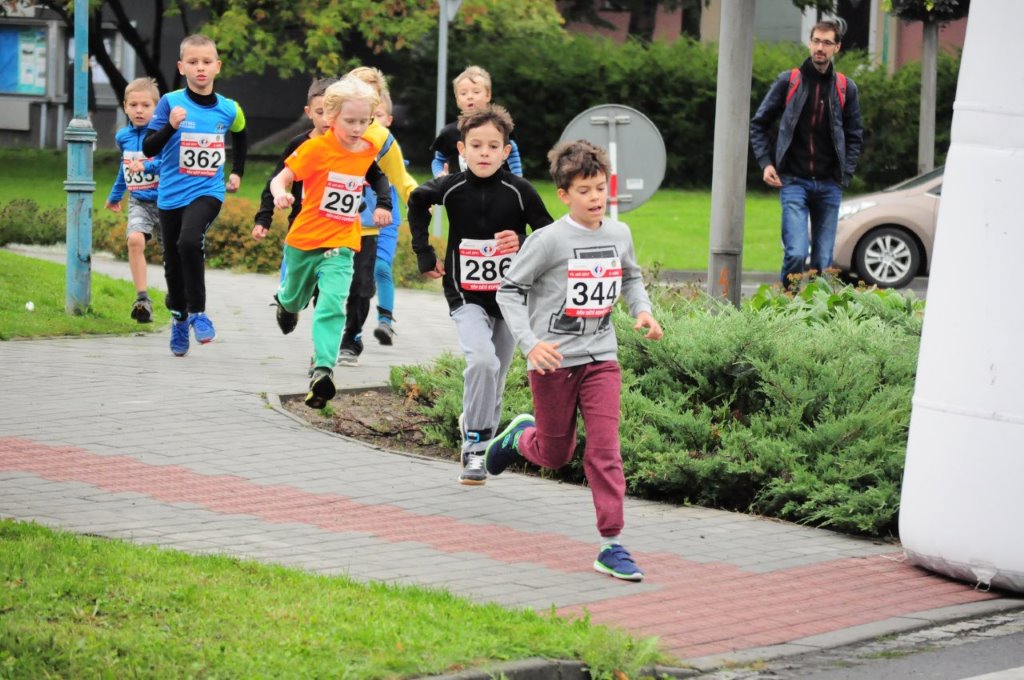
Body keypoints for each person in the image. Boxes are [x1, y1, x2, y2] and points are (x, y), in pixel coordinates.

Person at [491, 140, 663, 582]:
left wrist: (642, 310)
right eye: (584, 191)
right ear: (564, 195)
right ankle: (520, 438)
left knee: (605, 451)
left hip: (602, 358)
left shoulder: (619, 234)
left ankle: (612, 544)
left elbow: (631, 277)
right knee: (555, 454)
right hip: (553, 362)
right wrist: (530, 344)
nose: (594, 198)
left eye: (600, 188)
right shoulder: (548, 241)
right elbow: (509, 292)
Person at [408, 105, 552, 486]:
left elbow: (550, 234)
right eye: (476, 145)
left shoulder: (520, 191)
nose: (484, 153)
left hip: (511, 298)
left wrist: (521, 239)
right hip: (465, 294)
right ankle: (475, 447)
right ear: (462, 149)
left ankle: (476, 426)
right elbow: (417, 201)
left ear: (506, 151)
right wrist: (424, 251)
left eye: (492, 146)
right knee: (482, 362)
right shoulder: (451, 187)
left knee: (496, 376)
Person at [258, 77, 392, 409]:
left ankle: (323, 370)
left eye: (364, 121)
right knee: (295, 298)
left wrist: (384, 204)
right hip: (304, 241)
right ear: (330, 117)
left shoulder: (367, 150)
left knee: (332, 303)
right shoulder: (315, 149)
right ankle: (286, 305)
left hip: (342, 242)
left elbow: (379, 176)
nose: (358, 128)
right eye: (350, 121)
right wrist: (280, 194)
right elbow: (280, 178)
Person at [143, 34, 248, 356]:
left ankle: (199, 313)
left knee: (189, 241)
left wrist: (237, 171)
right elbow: (148, 148)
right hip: (171, 195)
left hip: (208, 191)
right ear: (181, 67)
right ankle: (179, 318)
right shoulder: (170, 103)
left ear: (217, 66)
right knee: (173, 262)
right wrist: (171, 127)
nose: (200, 68)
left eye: (206, 62)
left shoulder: (229, 108)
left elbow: (241, 135)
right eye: (193, 62)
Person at [749, 19, 863, 290]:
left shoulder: (845, 88)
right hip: (793, 181)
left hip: (829, 184)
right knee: (797, 253)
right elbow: (759, 123)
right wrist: (766, 163)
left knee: (823, 263)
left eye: (827, 43)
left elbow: (855, 135)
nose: (820, 48)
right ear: (810, 43)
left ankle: (815, 311)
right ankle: (786, 304)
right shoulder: (789, 81)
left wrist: (844, 175)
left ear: (837, 47)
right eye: (816, 41)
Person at [337, 66, 418, 367]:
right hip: (333, 224)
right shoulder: (332, 129)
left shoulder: (381, 138)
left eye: (370, 93)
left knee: (361, 286)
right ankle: (324, 338)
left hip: (368, 226)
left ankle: (351, 339)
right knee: (331, 287)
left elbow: (400, 177)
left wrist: (418, 199)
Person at [252, 77, 337, 279]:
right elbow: (276, 180)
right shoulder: (299, 144)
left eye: (332, 112)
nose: (326, 119)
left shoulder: (349, 146)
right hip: (301, 225)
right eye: (320, 112)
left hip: (336, 230)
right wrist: (264, 218)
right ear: (308, 112)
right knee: (291, 285)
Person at [104, 77, 162, 323]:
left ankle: (180, 297)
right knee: (135, 240)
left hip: (167, 201)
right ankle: (142, 299)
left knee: (175, 254)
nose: (139, 110)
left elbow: (169, 164)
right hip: (138, 200)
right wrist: (115, 195)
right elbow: (125, 167)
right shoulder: (123, 137)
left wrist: (147, 166)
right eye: (134, 105)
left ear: (156, 108)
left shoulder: (162, 134)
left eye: (146, 105)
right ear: (125, 107)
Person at [429, 65, 522, 178]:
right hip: (461, 188)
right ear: (457, 100)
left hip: (498, 186)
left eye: (476, 92)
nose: (470, 97)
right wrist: (439, 174)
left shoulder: (501, 127)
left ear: (488, 95)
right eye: (463, 93)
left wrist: (518, 177)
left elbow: (512, 153)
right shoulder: (449, 132)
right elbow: (438, 160)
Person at [362, 90, 402, 346]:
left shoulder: (389, 150)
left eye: (378, 115)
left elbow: (403, 180)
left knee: (381, 268)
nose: (372, 121)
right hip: (357, 222)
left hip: (386, 221)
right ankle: (351, 331)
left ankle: (385, 321)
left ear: (388, 119)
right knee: (357, 278)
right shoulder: (352, 145)